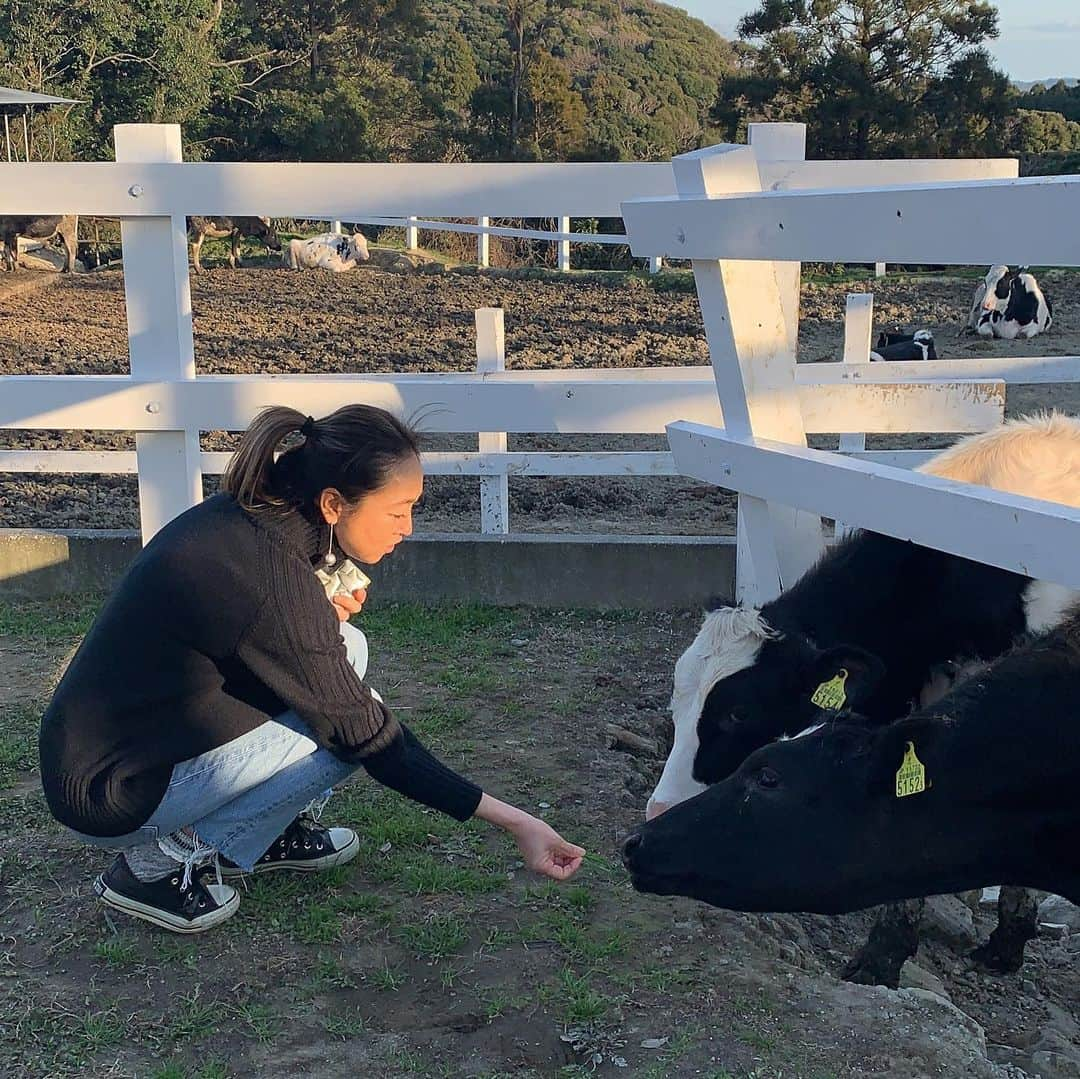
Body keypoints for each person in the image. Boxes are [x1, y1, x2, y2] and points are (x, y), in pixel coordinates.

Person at [39, 405, 585, 933]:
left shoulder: (253, 517)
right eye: (397, 511)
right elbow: (371, 740)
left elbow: (247, 640)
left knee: (348, 647)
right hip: (111, 793)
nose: (408, 528)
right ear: (332, 504)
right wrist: (519, 822)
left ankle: (260, 831)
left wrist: (320, 610)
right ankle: (155, 868)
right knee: (343, 735)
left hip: (116, 749)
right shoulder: (268, 576)